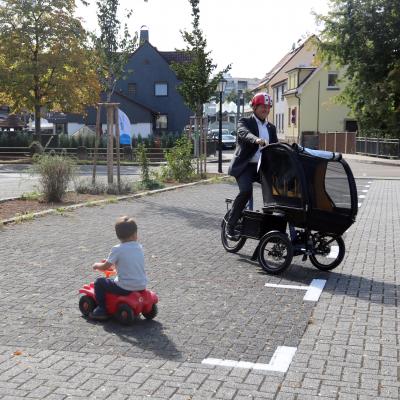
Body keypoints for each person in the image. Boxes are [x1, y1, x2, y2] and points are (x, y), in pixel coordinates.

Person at [226, 92, 278, 239]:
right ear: (255, 107)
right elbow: (243, 133)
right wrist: (256, 140)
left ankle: (266, 224)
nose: (266, 110)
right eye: (263, 106)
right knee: (246, 192)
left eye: (268, 107)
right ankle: (230, 226)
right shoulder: (245, 122)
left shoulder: (271, 128)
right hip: (245, 167)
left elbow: (275, 147)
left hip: (261, 167)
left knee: (275, 191)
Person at [90, 216, 148, 320]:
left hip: (125, 287)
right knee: (112, 280)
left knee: (99, 282)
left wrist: (96, 265)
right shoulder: (139, 247)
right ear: (135, 234)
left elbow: (105, 267)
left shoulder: (117, 249)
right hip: (141, 285)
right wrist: (113, 263)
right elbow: (128, 263)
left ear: (118, 236)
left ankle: (101, 309)